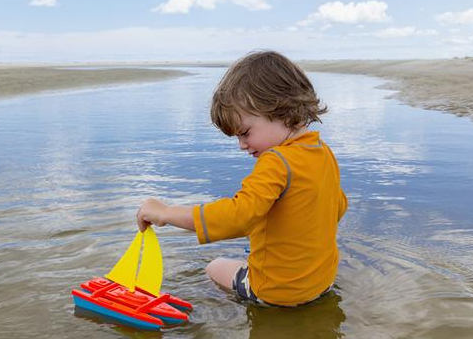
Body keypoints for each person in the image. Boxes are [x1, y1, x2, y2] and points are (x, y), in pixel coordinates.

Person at [136, 50, 348, 307]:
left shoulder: (277, 161)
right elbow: (337, 207)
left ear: (282, 110)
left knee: (215, 267)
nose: (242, 145)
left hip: (278, 292)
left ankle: (212, 307)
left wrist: (167, 213)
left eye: (245, 133)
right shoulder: (323, 152)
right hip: (321, 282)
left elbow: (238, 216)